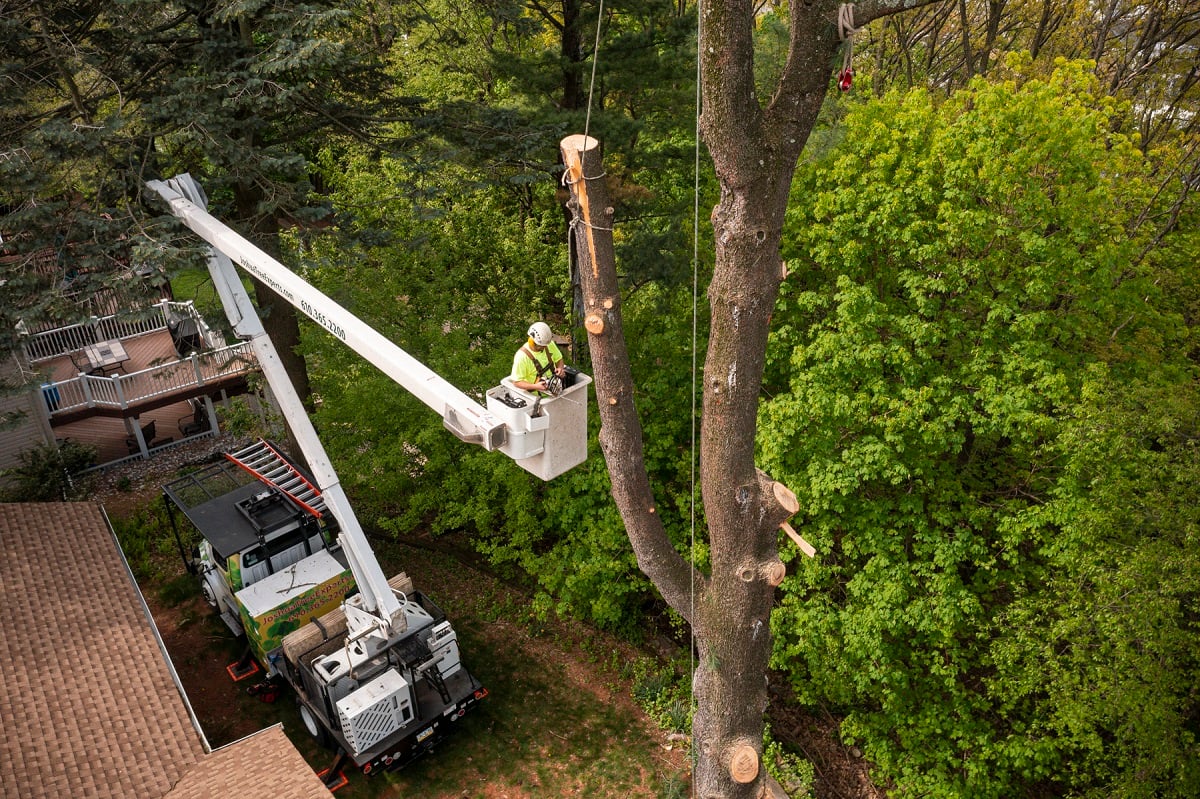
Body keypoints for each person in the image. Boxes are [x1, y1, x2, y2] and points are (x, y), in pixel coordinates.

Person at [511, 321, 566, 395]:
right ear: (532, 342)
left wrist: (560, 368)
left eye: (545, 345)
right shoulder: (521, 357)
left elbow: (559, 359)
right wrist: (535, 386)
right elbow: (516, 382)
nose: (545, 347)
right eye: (542, 346)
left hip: (555, 389)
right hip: (536, 397)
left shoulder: (548, 344)